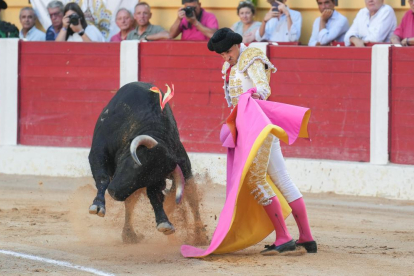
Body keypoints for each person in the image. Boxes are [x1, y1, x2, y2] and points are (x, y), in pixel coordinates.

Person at [181, 28, 316, 258]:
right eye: (221, 54)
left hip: (258, 126)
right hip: (250, 128)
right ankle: (306, 237)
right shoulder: (229, 66)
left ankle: (284, 237)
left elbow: (264, 88)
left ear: (237, 45)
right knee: (281, 178)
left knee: (255, 179)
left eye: (228, 52)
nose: (226, 57)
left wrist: (252, 95)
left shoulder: (251, 56)